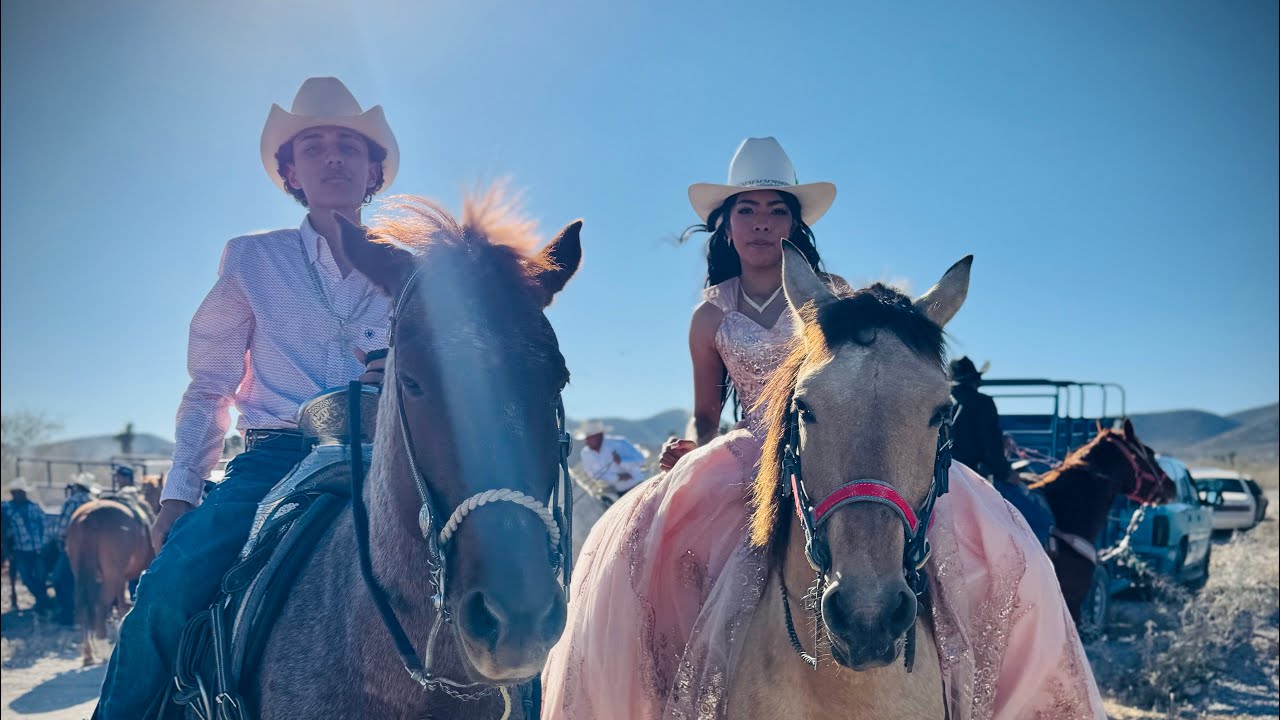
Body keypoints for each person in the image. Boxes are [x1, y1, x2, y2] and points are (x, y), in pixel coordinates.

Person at [542, 137, 1105, 719]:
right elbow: (706, 412)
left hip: (832, 443)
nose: (762, 223)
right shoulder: (709, 314)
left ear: (794, 223)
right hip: (747, 453)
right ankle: (675, 686)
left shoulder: (834, 297)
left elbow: (870, 379)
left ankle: (978, 683)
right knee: (655, 551)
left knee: (991, 548)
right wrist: (693, 447)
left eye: (776, 210)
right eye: (747, 210)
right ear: (726, 226)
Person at [93, 76, 398, 719]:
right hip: (275, 460)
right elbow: (211, 386)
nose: (333, 157)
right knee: (168, 590)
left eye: (349, 145)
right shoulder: (252, 260)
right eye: (313, 147)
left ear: (374, 170)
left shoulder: (414, 269)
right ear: (291, 172)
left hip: (390, 456)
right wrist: (179, 494)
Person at [48, 473, 98, 625]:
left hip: (73, 548)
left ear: (76, 487)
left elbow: (62, 529)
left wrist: (58, 542)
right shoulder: (94, 502)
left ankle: (67, 616)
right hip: (94, 549)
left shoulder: (72, 501)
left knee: (60, 579)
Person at [1, 478, 53, 612]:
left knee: (40, 577)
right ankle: (44, 600)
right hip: (20, 549)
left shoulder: (34, 507)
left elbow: (45, 525)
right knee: (26, 578)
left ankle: (42, 601)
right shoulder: (7, 509)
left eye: (21, 492)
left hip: (37, 548)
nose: (19, 495)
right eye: (16, 493)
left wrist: (44, 543)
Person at [577, 421, 646, 494]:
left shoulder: (619, 442)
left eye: (589, 438)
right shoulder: (586, 453)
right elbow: (593, 474)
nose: (586, 441)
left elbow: (640, 461)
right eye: (586, 438)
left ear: (599, 436)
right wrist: (617, 477)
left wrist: (621, 461)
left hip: (638, 485)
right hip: (619, 492)